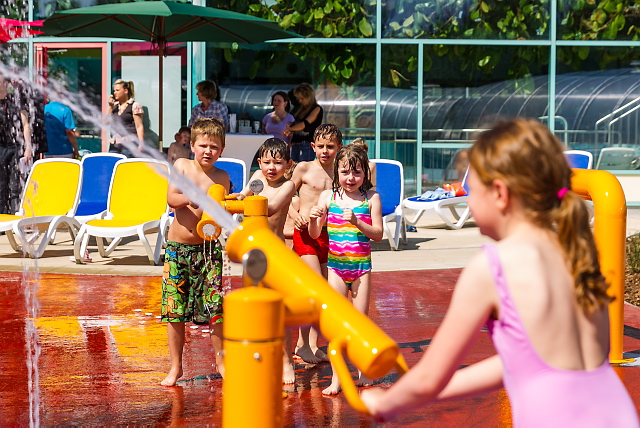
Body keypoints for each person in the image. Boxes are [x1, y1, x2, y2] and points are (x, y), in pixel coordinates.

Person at [360, 118, 640, 426]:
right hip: (616, 413)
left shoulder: (494, 267)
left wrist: (386, 401)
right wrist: (433, 392)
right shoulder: (576, 251)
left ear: (500, 194)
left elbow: (428, 377)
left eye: (473, 191)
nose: (468, 199)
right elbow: (528, 363)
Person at [160, 118, 230, 387]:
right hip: (178, 250)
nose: (208, 151)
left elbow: (223, 212)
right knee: (174, 309)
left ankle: (221, 363)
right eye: (203, 145)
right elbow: (171, 199)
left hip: (208, 250)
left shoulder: (222, 177)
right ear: (192, 145)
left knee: (215, 308)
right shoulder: (182, 166)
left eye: (214, 147)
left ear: (222, 150)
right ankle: (175, 367)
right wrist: (191, 198)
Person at [309, 143, 383, 395]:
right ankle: (337, 379)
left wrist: (357, 221)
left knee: (360, 322)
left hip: (361, 268)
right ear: (336, 173)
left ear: (365, 174)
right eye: (345, 172)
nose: (350, 178)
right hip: (337, 268)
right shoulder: (328, 197)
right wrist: (312, 217)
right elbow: (315, 233)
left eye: (357, 173)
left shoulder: (371, 198)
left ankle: (364, 371)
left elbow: (379, 234)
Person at [237, 137, 297, 384]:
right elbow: (242, 195)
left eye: (278, 163)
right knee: (254, 308)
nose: (272, 168)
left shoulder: (289, 185)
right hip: (253, 255)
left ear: (289, 164)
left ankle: (286, 362)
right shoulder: (256, 179)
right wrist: (233, 198)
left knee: (280, 311)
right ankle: (257, 356)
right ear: (259, 162)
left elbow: (270, 207)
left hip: (275, 254)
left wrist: (244, 203)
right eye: (267, 162)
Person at [289, 123, 343, 363]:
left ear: (339, 148)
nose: (325, 151)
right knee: (317, 288)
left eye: (330, 147)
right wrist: (295, 214)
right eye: (320, 146)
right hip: (305, 234)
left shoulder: (341, 172)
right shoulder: (304, 168)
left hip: (329, 236)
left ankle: (308, 344)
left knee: (326, 293)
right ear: (312, 146)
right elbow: (288, 193)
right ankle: (303, 345)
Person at [0, 73, 32, 215]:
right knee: (1, 185)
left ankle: (14, 218)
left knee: (14, 186)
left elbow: (25, 124)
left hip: (14, 147)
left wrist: (28, 147)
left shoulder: (16, 101)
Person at [284, 83, 323, 163]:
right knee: (294, 167)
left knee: (304, 167)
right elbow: (297, 122)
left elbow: (304, 124)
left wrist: (291, 129)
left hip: (306, 143)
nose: (300, 101)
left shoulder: (316, 108)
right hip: (296, 142)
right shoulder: (301, 109)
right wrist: (290, 125)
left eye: (302, 98)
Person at [108, 79, 144, 157]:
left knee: (125, 165)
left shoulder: (134, 105)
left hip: (129, 143)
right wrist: (110, 107)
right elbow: (105, 122)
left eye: (117, 90)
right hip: (114, 144)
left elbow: (139, 126)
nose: (115, 93)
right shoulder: (114, 106)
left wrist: (141, 144)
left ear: (125, 91)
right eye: (114, 91)